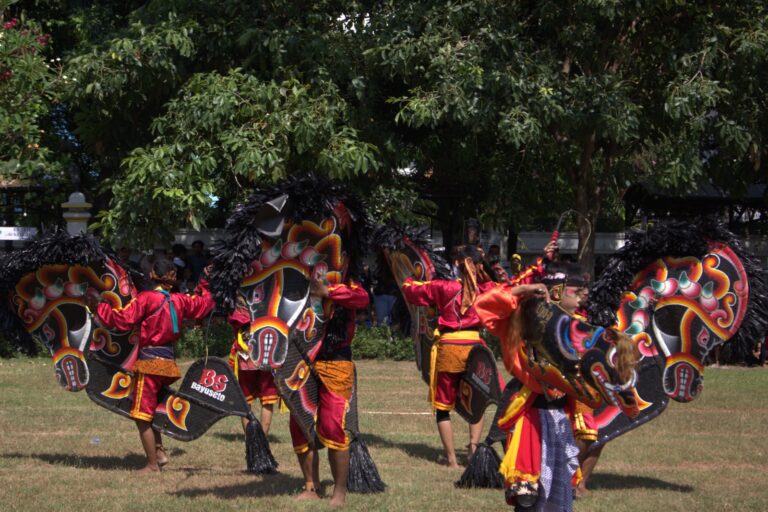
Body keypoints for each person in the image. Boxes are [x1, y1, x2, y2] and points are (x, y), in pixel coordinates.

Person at [88, 259, 215, 473]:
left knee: (140, 415)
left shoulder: (146, 299)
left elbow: (122, 320)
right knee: (151, 411)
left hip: (149, 365)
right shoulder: (180, 300)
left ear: (153, 275)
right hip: (168, 365)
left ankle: (152, 464)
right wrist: (206, 282)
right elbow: (204, 305)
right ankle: (161, 454)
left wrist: (99, 307)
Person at [474, 281, 580, 510]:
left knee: (557, 482)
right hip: (529, 413)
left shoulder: (563, 330)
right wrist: (521, 290)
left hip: (558, 413)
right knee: (528, 492)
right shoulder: (513, 327)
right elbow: (482, 305)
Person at [401, 244, 497, 468]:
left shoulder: (443, 287)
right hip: (475, 347)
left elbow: (413, 291)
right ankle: (473, 450)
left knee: (443, 405)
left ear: (457, 263)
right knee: (478, 397)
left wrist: (407, 277)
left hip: (450, 347)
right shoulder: (485, 289)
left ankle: (452, 459)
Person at [290, 276, 369, 507]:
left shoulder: (349, 283)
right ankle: (311, 486)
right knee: (300, 423)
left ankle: (339, 492)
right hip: (302, 361)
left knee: (332, 425)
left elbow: (362, 298)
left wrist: (327, 291)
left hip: (336, 362)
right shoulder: (297, 275)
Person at [540, 262, 599, 497]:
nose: (582, 295)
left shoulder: (581, 320)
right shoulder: (543, 321)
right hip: (550, 391)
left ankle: (571, 477)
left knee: (588, 433)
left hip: (579, 387)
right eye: (575, 291)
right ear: (558, 293)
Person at [228, 306, 279, 436]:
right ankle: (262, 439)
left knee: (246, 399)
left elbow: (234, 320)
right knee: (266, 398)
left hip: (247, 354)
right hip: (267, 351)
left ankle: (251, 439)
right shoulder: (272, 293)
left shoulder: (239, 299)